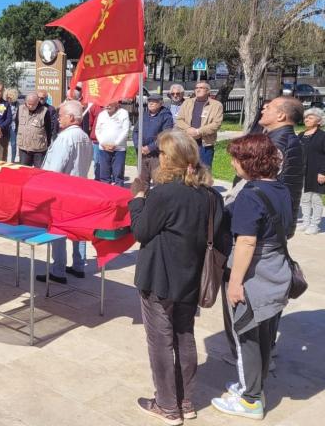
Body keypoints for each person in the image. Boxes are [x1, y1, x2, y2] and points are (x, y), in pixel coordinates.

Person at [129, 129, 223, 425]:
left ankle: (168, 405)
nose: (157, 159)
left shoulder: (163, 194)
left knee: (160, 342)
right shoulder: (211, 196)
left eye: (161, 154)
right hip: (191, 278)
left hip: (159, 278)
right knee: (185, 337)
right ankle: (185, 401)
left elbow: (141, 231)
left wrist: (138, 200)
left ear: (172, 160)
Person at [211, 134, 292, 420]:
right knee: (265, 333)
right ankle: (253, 386)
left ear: (249, 162)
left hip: (253, 277)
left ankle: (250, 400)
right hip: (276, 272)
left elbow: (245, 241)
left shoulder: (250, 195)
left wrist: (235, 284)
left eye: (235, 158)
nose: (233, 163)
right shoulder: (279, 188)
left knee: (245, 335)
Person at [37, 100, 93, 284]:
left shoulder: (65, 138)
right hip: (80, 189)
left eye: (60, 115)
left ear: (70, 117)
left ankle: (58, 270)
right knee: (78, 229)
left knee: (58, 230)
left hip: (63, 192)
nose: (58, 119)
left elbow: (55, 170)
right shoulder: (84, 136)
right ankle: (78, 265)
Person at [258, 96, 305, 238]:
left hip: (268, 220)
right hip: (271, 217)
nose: (263, 111)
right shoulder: (276, 138)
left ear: (281, 115)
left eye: (269, 108)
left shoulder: (279, 143)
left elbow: (260, 180)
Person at [174, 81, 223, 169]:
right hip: (187, 143)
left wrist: (198, 131)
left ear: (208, 91)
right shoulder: (187, 103)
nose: (198, 90)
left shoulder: (216, 105)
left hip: (205, 144)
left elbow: (217, 124)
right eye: (196, 88)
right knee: (186, 170)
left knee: (204, 171)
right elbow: (179, 119)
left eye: (201, 88)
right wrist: (188, 129)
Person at [133, 94, 174, 185]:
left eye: (154, 102)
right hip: (142, 154)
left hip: (157, 155)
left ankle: (157, 198)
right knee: (142, 181)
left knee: (158, 181)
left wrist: (150, 148)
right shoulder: (144, 115)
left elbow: (165, 136)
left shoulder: (166, 116)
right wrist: (138, 146)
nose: (151, 103)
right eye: (149, 101)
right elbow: (136, 131)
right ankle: (143, 198)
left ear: (161, 103)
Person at [298, 107, 325, 235]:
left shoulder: (323, 136)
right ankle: (306, 222)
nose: (307, 119)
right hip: (302, 172)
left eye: (310, 117)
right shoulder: (301, 135)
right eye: (306, 117)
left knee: (316, 199)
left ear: (319, 121)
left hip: (317, 172)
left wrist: (323, 172)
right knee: (304, 198)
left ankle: (315, 225)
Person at [95, 100, 130, 187]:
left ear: (117, 104)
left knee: (118, 173)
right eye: (106, 104)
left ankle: (118, 192)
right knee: (104, 174)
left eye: (110, 104)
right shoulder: (101, 114)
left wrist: (115, 144)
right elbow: (97, 130)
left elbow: (125, 130)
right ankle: (105, 192)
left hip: (119, 149)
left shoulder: (123, 113)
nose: (108, 106)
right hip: (103, 148)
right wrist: (102, 143)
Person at [16, 92, 50, 167]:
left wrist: (48, 143)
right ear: (25, 101)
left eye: (33, 104)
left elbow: (48, 130)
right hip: (24, 148)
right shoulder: (21, 109)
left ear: (37, 102)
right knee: (24, 172)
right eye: (28, 104)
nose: (30, 106)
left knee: (39, 172)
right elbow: (17, 125)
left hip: (39, 149)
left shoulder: (44, 111)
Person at [4, 88, 20, 163]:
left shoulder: (17, 104)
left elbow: (17, 115)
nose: (8, 99)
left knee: (13, 144)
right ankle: (4, 159)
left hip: (13, 125)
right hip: (5, 125)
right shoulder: (4, 103)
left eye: (10, 97)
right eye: (7, 97)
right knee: (4, 143)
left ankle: (12, 161)